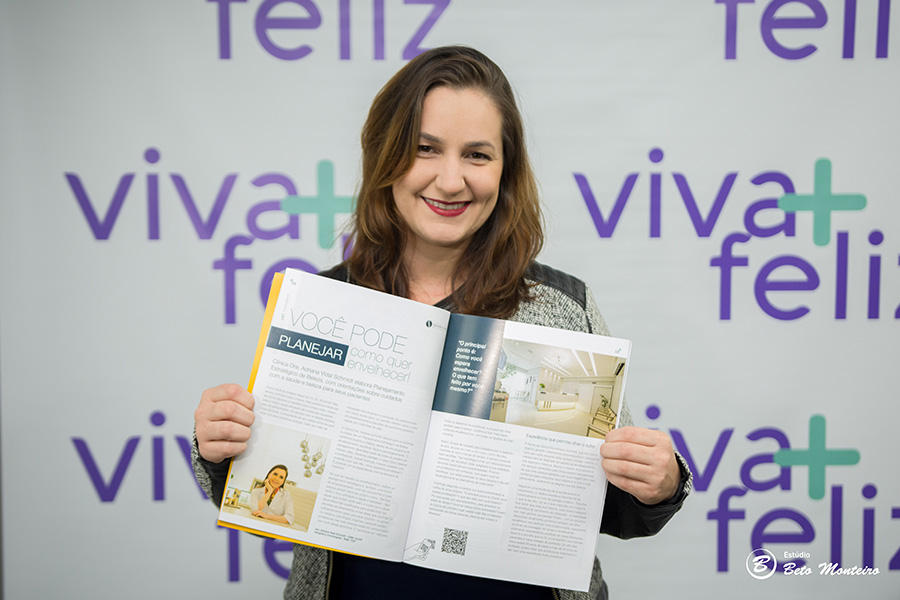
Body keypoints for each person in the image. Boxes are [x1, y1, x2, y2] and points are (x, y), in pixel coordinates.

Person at [193, 45, 692, 599]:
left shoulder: (563, 307)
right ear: (386, 157)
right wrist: (221, 449)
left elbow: (611, 506)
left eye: (477, 155)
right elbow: (270, 483)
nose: (450, 180)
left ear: (506, 170)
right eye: (425, 149)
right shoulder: (326, 303)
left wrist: (658, 482)